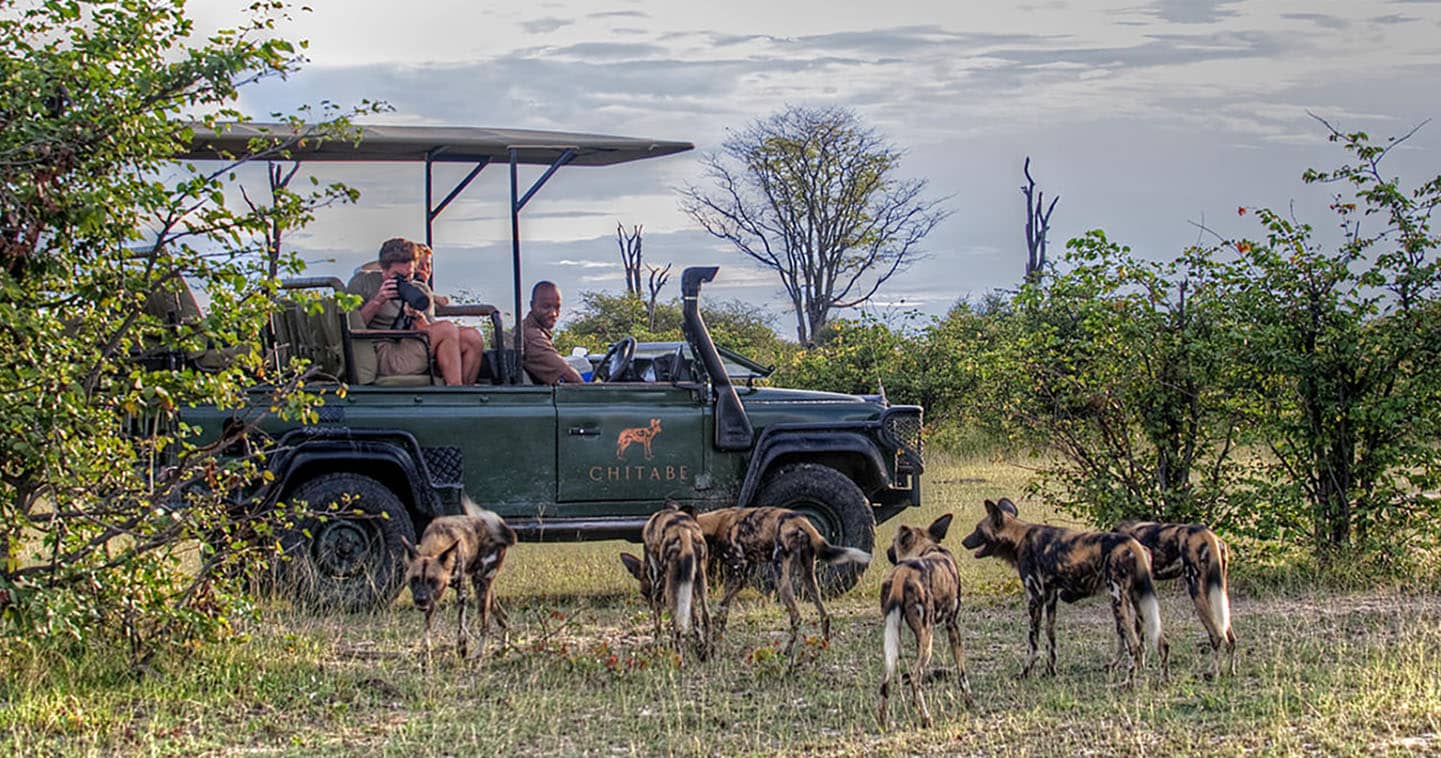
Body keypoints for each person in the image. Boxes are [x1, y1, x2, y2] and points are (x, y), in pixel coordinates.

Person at [347, 238, 482, 385]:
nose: (405, 280)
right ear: (383, 269)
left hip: (411, 345)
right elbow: (350, 326)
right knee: (447, 328)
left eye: (409, 274)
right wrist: (378, 301)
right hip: (380, 352)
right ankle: (455, 389)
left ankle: (467, 394)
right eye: (398, 275)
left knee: (471, 337)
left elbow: (430, 332)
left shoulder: (419, 290)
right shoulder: (363, 283)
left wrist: (417, 317)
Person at [522, 280, 585, 384]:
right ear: (532, 305)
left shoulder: (526, 329)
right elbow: (569, 375)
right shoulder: (532, 336)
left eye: (557, 307)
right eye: (546, 307)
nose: (553, 313)